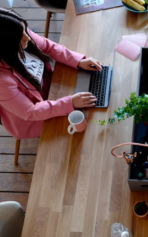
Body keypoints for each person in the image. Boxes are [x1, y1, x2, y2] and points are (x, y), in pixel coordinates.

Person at [0, 8, 102, 140]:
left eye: (26, 30)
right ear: (5, 45)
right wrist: (69, 102)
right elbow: (31, 112)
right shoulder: (2, 82)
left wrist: (78, 61)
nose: (28, 37)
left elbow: (49, 47)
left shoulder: (18, 31)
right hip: (33, 119)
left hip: (52, 89)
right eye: (21, 36)